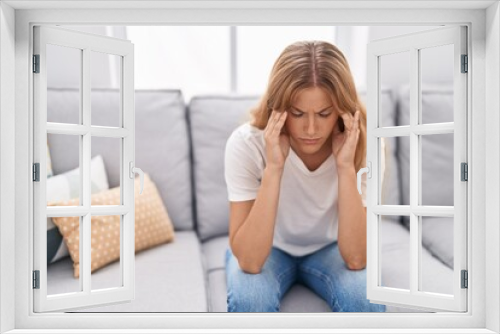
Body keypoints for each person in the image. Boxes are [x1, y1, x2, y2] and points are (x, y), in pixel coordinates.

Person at [224, 40, 386, 312]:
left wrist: (345, 167)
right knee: (250, 301)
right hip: (269, 248)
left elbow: (357, 258)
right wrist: (274, 167)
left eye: (324, 113)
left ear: (342, 111)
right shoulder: (246, 144)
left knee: (366, 301)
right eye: (297, 113)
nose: (311, 129)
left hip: (332, 248)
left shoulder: (366, 144)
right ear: (278, 109)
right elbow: (250, 262)